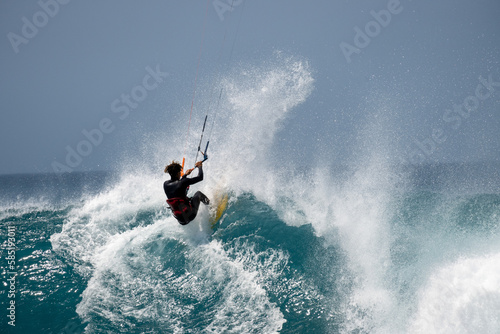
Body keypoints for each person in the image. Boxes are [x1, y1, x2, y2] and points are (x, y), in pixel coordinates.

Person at [164, 160, 210, 225]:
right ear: (177, 173)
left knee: (186, 200)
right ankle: (211, 207)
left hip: (181, 221)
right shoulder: (183, 182)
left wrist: (185, 175)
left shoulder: (165, 184)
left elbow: (178, 186)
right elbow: (200, 177)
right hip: (190, 216)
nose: (180, 173)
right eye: (180, 172)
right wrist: (200, 166)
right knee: (198, 193)